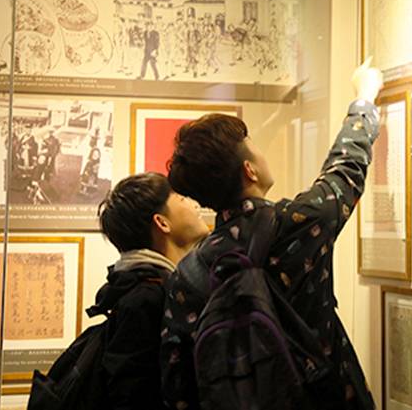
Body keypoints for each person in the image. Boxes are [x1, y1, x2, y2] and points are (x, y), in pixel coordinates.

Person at [160, 60, 383, 410]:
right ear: (249, 170)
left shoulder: (187, 275)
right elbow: (346, 168)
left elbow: (178, 381)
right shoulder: (297, 223)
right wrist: (365, 97)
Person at [92, 172, 210, 409]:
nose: (193, 204)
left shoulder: (148, 288)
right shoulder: (146, 298)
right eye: (181, 198)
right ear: (162, 223)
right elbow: (131, 397)